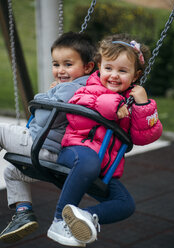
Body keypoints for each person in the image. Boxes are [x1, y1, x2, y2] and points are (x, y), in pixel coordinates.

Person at [47, 33, 163, 247]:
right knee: (89, 161)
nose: (114, 75)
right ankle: (58, 220)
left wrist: (143, 105)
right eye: (108, 68)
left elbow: (143, 136)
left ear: (136, 76)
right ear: (99, 67)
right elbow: (77, 112)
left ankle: (83, 217)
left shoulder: (132, 100)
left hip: (102, 170)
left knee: (125, 204)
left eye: (123, 71)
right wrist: (113, 105)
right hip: (75, 153)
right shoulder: (88, 87)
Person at [0, 31, 96, 244]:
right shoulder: (87, 88)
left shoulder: (72, 87)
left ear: (88, 67)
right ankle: (23, 212)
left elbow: (42, 116)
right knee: (13, 173)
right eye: (56, 64)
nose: (60, 70)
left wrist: (45, 95)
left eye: (68, 64)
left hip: (39, 144)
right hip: (53, 154)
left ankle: (23, 212)